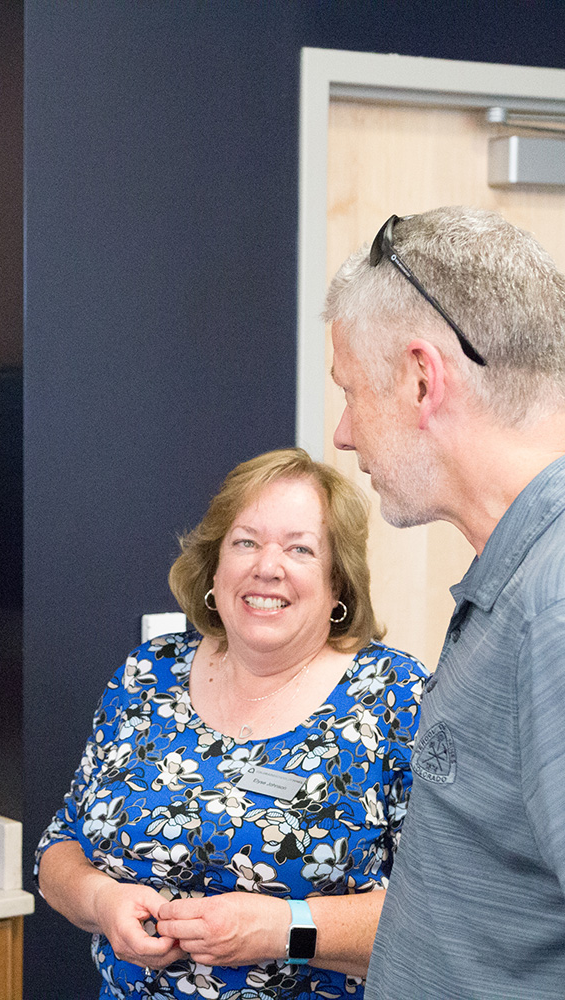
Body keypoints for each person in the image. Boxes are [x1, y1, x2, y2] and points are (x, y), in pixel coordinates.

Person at [36, 447, 428, 999]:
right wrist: (101, 903)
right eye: (246, 542)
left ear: (339, 584)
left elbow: (445, 908)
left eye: (300, 548)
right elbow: (60, 846)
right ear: (213, 568)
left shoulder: (397, 696)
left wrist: (281, 929)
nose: (267, 567)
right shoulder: (148, 674)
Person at [325, 206, 565, 999]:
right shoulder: (519, 572)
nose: (343, 433)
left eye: (352, 393)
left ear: (424, 378)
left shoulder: (554, 598)